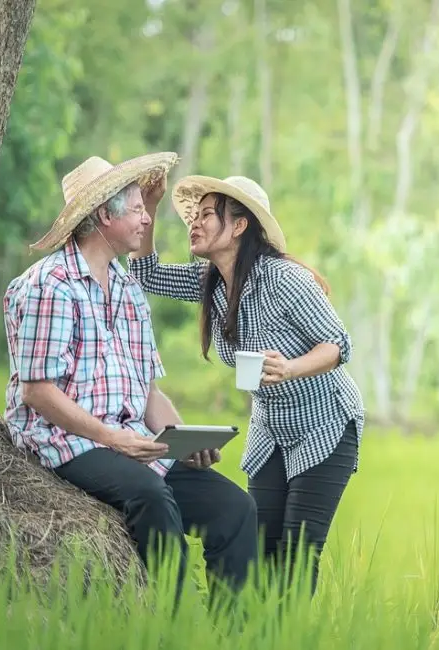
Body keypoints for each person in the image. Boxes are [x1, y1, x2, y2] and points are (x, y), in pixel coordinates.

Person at [2, 153, 258, 602]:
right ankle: (173, 627)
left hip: (128, 440)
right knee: (152, 496)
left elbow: (147, 390)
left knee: (235, 508)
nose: (147, 218)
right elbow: (38, 393)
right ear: (105, 215)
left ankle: (228, 636)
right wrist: (113, 438)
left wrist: (183, 436)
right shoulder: (51, 285)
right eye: (138, 208)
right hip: (67, 439)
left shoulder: (126, 290)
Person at [126, 173, 366, 596]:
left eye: (206, 216)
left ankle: (289, 636)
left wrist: (290, 368)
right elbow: (146, 275)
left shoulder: (282, 279)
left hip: (324, 425)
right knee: (256, 548)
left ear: (239, 226)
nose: (193, 224)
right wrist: (150, 205)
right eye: (193, 216)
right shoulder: (211, 282)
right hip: (271, 429)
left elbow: (338, 344)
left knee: (295, 556)